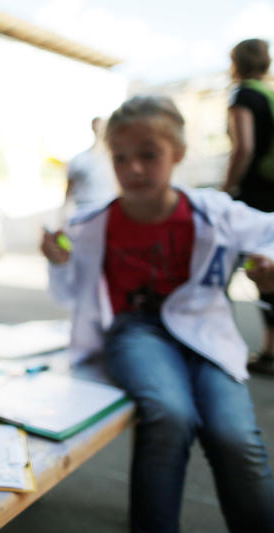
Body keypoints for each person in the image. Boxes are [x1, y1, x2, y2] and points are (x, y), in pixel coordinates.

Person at [41, 94, 274, 532]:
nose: (134, 169)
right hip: (135, 331)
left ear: (178, 154)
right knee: (169, 413)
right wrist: (57, 261)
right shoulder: (92, 224)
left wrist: (268, 259)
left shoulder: (213, 211)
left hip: (207, 329)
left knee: (234, 436)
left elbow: (270, 230)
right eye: (121, 158)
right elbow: (71, 296)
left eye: (149, 155)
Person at [224, 38, 274, 375]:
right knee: (268, 273)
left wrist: (227, 188)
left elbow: (244, 146)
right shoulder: (271, 94)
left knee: (220, 270)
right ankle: (271, 352)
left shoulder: (243, 95)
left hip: (252, 198)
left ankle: (215, 343)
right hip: (272, 196)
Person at [62, 116, 116, 217]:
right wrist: (63, 215)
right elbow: (69, 189)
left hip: (108, 211)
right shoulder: (79, 160)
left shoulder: (115, 158)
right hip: (84, 212)